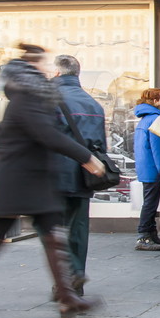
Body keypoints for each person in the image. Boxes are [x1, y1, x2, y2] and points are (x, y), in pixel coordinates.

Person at [0, 44, 106, 318]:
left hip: (34, 179)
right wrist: (86, 157)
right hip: (18, 180)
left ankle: (68, 299)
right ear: (30, 67)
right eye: (41, 63)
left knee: (53, 239)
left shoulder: (32, 94)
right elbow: (46, 134)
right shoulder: (26, 97)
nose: (46, 68)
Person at [53, 54, 108, 295]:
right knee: (78, 228)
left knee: (53, 229)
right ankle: (76, 278)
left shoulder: (49, 100)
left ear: (56, 73)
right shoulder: (93, 104)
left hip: (54, 175)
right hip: (84, 175)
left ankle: (66, 278)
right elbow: (100, 147)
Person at [133, 88, 160, 251]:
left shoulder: (145, 119)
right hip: (153, 170)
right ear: (155, 102)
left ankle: (151, 233)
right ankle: (144, 236)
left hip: (146, 167)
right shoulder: (155, 120)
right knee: (150, 204)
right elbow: (159, 149)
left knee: (150, 202)